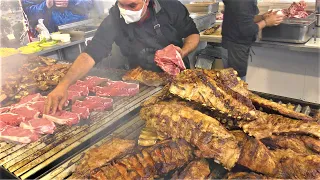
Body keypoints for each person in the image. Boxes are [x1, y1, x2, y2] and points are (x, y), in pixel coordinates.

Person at [44, 0, 200, 114]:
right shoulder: (114, 19)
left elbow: (192, 34)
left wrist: (182, 52)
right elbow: (91, 53)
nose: (127, 10)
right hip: (141, 83)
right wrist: (63, 85)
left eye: (132, 5)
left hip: (177, 80)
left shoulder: (170, 7)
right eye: (122, 5)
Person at [221, 0, 284, 81]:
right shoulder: (243, 2)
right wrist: (266, 22)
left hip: (234, 46)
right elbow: (247, 29)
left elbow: (243, 18)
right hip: (234, 48)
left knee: (234, 82)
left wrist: (262, 17)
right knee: (236, 84)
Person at [21, 0, 93, 35]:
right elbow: (27, 13)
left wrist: (71, 2)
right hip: (51, 37)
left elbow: (89, 3)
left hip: (80, 30)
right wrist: (46, 5)